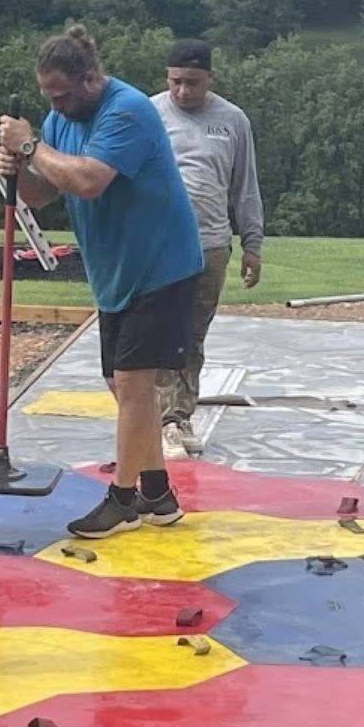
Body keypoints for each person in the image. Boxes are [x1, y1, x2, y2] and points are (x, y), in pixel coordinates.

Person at [0, 26, 203, 538]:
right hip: (117, 270)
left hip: (163, 263)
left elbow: (87, 181)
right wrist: (17, 166)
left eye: (63, 95)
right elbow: (43, 194)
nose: (57, 106)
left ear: (90, 78)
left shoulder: (127, 110)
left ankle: (123, 499)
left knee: (135, 383)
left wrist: (29, 146)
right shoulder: (59, 121)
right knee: (120, 384)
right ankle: (158, 493)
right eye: (49, 98)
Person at [152, 39, 263, 458]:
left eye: (193, 83)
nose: (184, 92)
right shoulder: (149, 113)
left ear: (210, 79)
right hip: (159, 241)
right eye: (177, 82)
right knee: (161, 329)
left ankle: (181, 414)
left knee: (191, 334)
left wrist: (252, 243)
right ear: (167, 78)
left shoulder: (232, 120)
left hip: (211, 242)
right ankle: (165, 420)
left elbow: (245, 187)